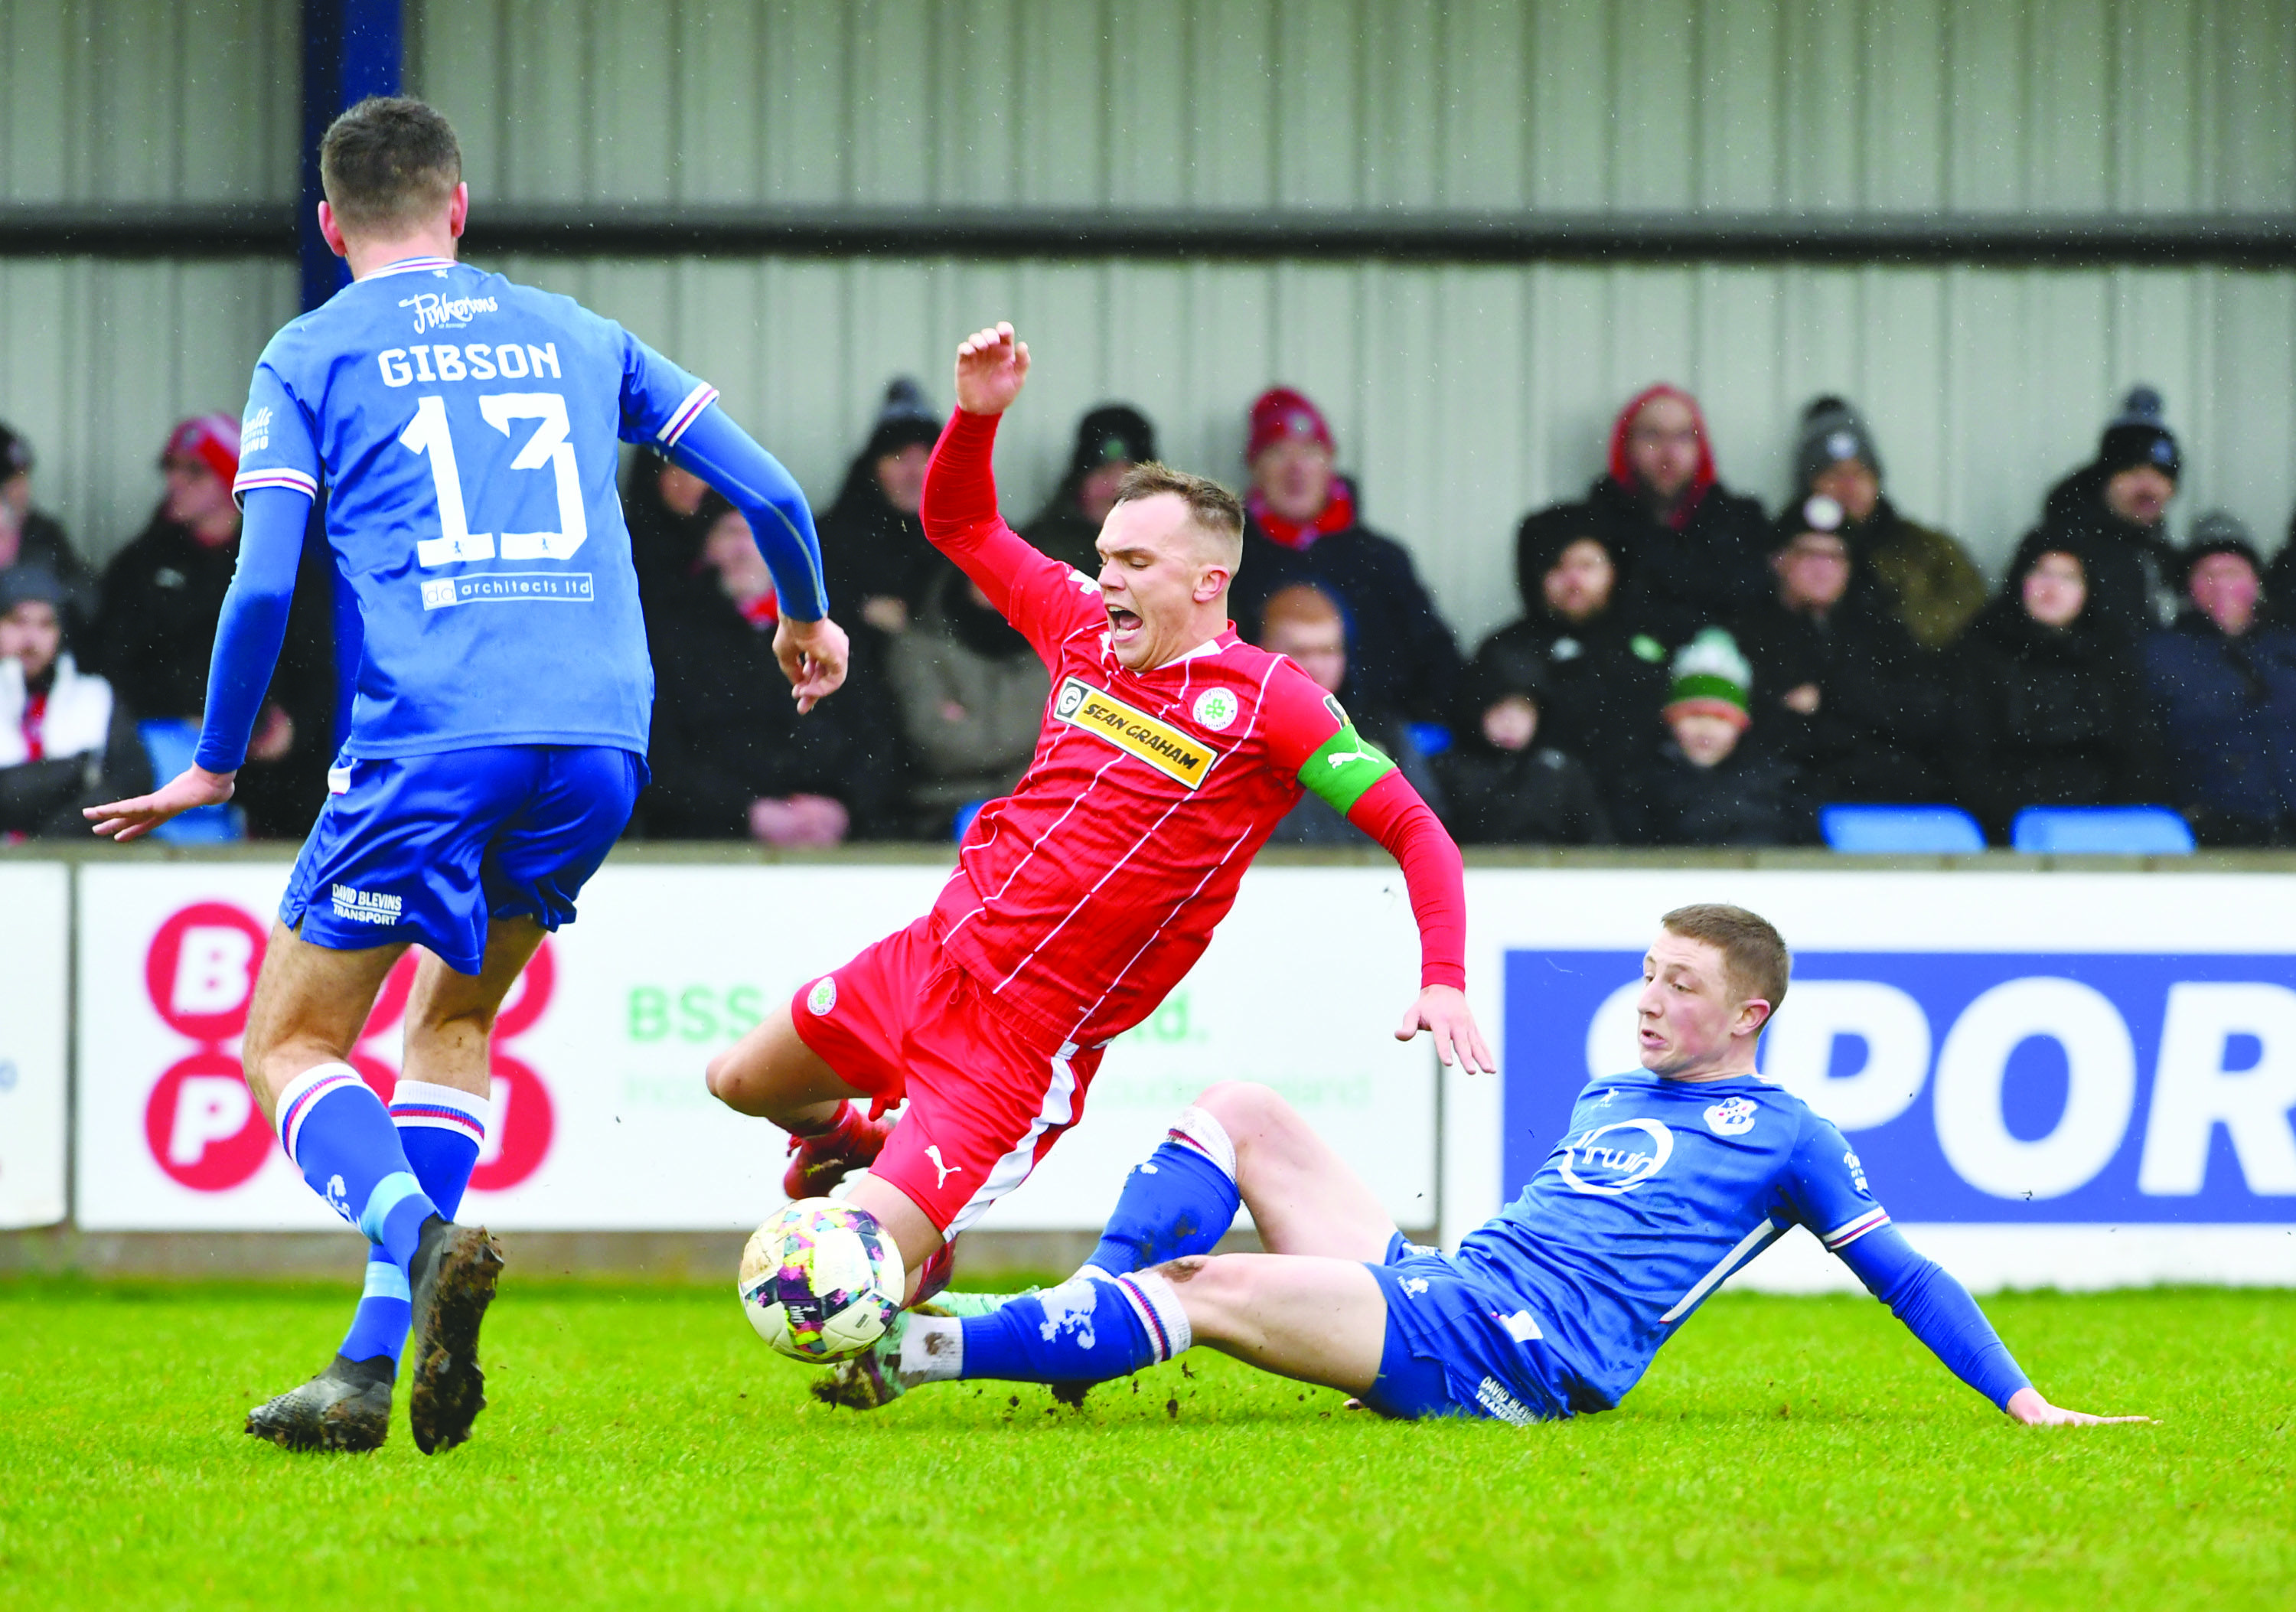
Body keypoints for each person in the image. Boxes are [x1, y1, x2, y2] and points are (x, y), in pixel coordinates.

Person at [83, 96, 848, 1456]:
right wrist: (803, 614)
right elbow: (777, 495)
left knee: (290, 1041)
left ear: (329, 226)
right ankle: (373, 1364)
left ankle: (416, 1234)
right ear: (461, 205)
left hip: (436, 735)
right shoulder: (580, 333)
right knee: (451, 1020)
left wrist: (210, 763)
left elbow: (263, 581)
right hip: (602, 743)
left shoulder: (310, 353)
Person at [702, 322, 1490, 1316]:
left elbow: (1418, 829)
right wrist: (977, 416)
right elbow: (961, 527)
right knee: (735, 1078)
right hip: (932, 957)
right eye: (1107, 555)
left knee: (836, 1290)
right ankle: (862, 1138)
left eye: (1135, 561)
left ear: (1209, 581)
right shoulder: (1083, 625)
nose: (1106, 575)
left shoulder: (1272, 702)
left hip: (1018, 1047)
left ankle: (909, 1236)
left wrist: (1445, 979)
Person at [816, 905, 2144, 1432]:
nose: (1647, 1000)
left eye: (1681, 987)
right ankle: (1084, 1342)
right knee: (1240, 1105)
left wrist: (2027, 1405)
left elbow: (1902, 1274)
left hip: (1513, 1361)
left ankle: (931, 1348)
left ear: (1750, 1015)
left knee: (1204, 1283)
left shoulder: (1787, 1134)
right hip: (1456, 1288)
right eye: (1645, 973)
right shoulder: (1615, 1087)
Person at [94, 414, 335, 839]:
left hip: (268, 767)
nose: (175, 482)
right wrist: (192, 711)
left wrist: (290, 732)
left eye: (194, 470)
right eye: (171, 468)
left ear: (231, 477)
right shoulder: (139, 566)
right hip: (168, 752)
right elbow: (112, 667)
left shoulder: (288, 566)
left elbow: (315, 668)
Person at [647, 498, 903, 844]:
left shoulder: (829, 632)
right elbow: (661, 757)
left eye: (758, 534)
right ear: (705, 545)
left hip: (833, 839)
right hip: (709, 842)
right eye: (730, 532)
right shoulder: (670, 636)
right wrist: (748, 812)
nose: (743, 548)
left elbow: (877, 737)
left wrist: (844, 808)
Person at [1228, 386, 1463, 722]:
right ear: (1254, 466)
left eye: (1310, 451)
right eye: (1278, 452)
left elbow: (1435, 657)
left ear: (1329, 462)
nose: (1296, 468)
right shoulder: (1230, 559)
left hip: (1376, 741)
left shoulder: (1382, 558)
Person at [1732, 497, 1945, 806]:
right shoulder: (1745, 632)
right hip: (1785, 792)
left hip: (1878, 788)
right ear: (1778, 560)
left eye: (1836, 557)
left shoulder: (1883, 632)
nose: (1823, 568)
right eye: (1808, 554)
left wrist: (1831, 697)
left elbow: (1925, 711)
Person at [1950, 535, 2159, 844]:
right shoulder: (1979, 653)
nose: (2052, 587)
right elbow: (1968, 757)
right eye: (2041, 573)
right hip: (2004, 832)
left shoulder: (2113, 659)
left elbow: (2139, 757)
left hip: (2104, 829)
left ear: (2089, 591)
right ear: (2020, 581)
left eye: (2069, 577)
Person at [2142, 514, 2296, 846]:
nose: (2220, 585)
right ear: (2189, 588)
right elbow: (2143, 748)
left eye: (2232, 572)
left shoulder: (2288, 646)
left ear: (2256, 582)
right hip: (2213, 834)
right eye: (2206, 575)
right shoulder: (2160, 654)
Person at [1252, 582, 1442, 847]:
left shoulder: (1381, 732)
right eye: (1301, 651)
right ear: (1263, 651)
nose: (1316, 666)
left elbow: (1425, 827)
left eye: (1328, 651)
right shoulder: (1236, 730)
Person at [1498, 504, 1670, 791]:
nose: (1574, 581)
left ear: (1615, 570)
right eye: (1557, 567)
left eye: (1587, 565)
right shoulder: (1506, 652)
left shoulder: (1651, 647)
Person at [1790, 396, 1985, 651]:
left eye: (1860, 472)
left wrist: (1894, 631)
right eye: (1834, 474)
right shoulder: (1784, 552)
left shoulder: (1931, 552)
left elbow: (1972, 614)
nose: (1848, 487)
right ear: (1810, 484)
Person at [1581, 384, 1773, 642]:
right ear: (1625, 445)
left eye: (1683, 437)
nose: (1668, 453)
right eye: (1652, 436)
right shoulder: (1591, 525)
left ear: (1701, 448)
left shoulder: (1743, 523)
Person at [887, 561, 1052, 836]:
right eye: (985, 581)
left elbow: (1058, 745)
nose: (997, 593)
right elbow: (934, 743)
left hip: (1035, 806)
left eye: (1009, 583)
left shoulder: (1055, 655)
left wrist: (968, 723)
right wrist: (1020, 748)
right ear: (960, 581)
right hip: (939, 810)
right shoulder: (918, 649)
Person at [1613, 630, 1811, 847]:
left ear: (1741, 725)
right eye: (1694, 715)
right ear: (1670, 720)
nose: (1706, 729)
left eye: (1720, 718)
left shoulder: (1778, 784)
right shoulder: (1640, 787)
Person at [0, 566, 148, 840]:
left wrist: (53, 835)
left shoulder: (95, 697)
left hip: (78, 853)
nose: (31, 639)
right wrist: (74, 776)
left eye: (46, 624)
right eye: (17, 622)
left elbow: (133, 782)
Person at [2034, 386, 2184, 641]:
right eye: (2133, 474)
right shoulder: (2064, 551)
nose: (2149, 488)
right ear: (2104, 481)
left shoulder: (2162, 555)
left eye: (2161, 477)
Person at [1433, 644, 1612, 847]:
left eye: (1523, 710)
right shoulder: (1447, 772)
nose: (1511, 722)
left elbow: (1597, 844)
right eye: (1500, 709)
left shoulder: (1562, 774)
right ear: (1478, 710)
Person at [819, 377, 949, 637]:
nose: (914, 473)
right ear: (873, 470)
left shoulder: (975, 542)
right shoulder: (827, 542)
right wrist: (857, 608)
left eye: (927, 458)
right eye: (899, 457)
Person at [1020, 404, 1159, 577]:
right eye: (1104, 473)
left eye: (1130, 477)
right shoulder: (1036, 553)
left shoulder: (1177, 550)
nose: (1115, 489)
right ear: (1079, 481)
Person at [0, 423, 102, 641]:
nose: (24, 491)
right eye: (11, 481)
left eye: (24, 478)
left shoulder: (44, 535)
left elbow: (85, 603)